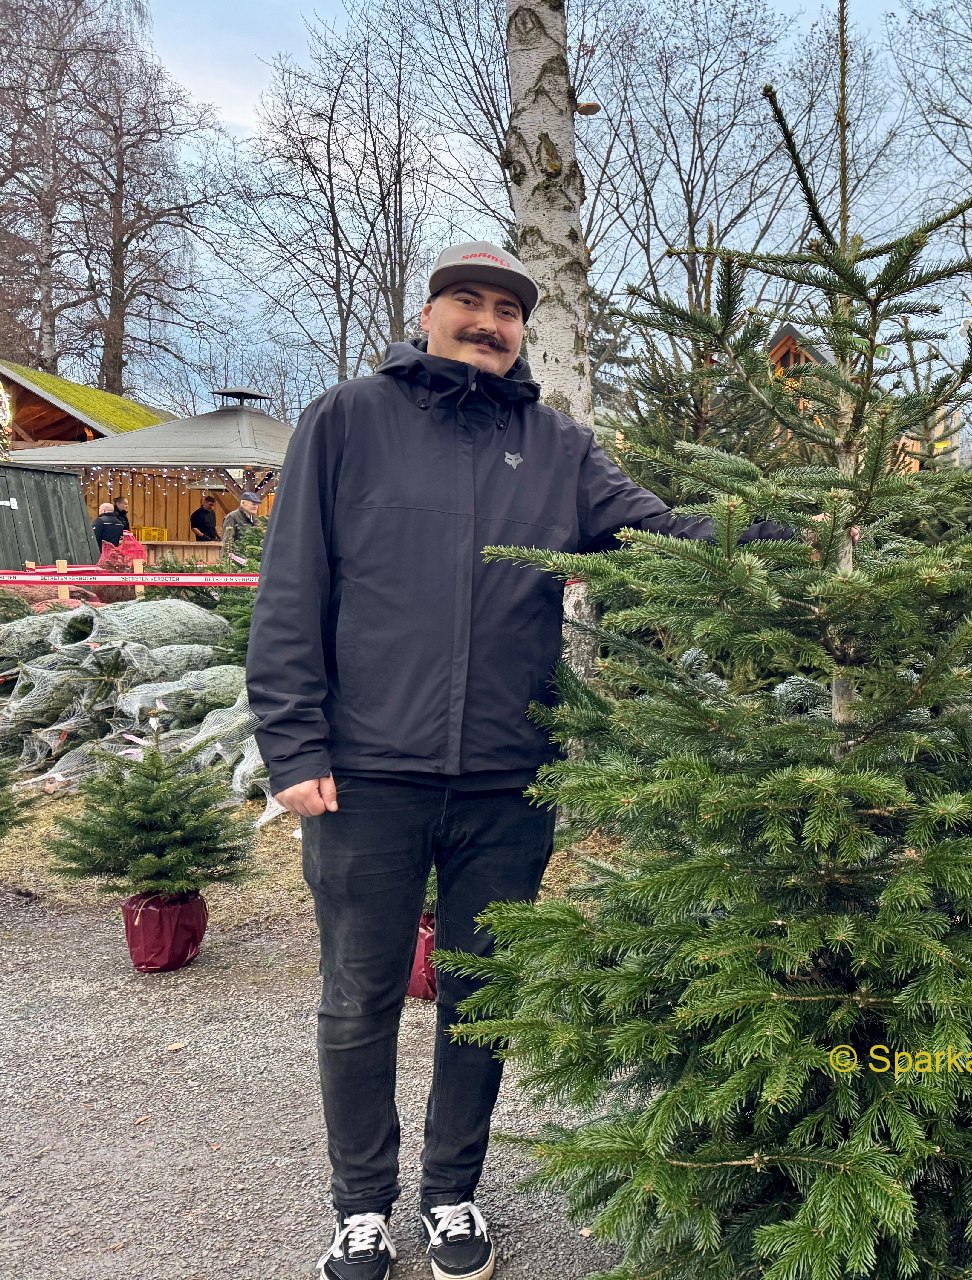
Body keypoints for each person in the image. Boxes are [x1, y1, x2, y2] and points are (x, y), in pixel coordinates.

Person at [247, 240, 791, 1280]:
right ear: (429, 310)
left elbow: (662, 534)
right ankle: (361, 1206)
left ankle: (452, 1192)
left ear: (522, 329)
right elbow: (290, 591)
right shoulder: (347, 419)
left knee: (483, 993)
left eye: (507, 309)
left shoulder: (556, 446)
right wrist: (294, 743)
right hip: (365, 773)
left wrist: (798, 534)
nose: (488, 321)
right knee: (358, 995)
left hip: (508, 775)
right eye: (468, 301)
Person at [222, 491, 261, 558]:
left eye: (257, 504)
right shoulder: (232, 516)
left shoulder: (255, 520)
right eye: (253, 504)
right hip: (236, 560)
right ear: (243, 503)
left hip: (251, 559)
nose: (256, 506)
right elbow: (227, 541)